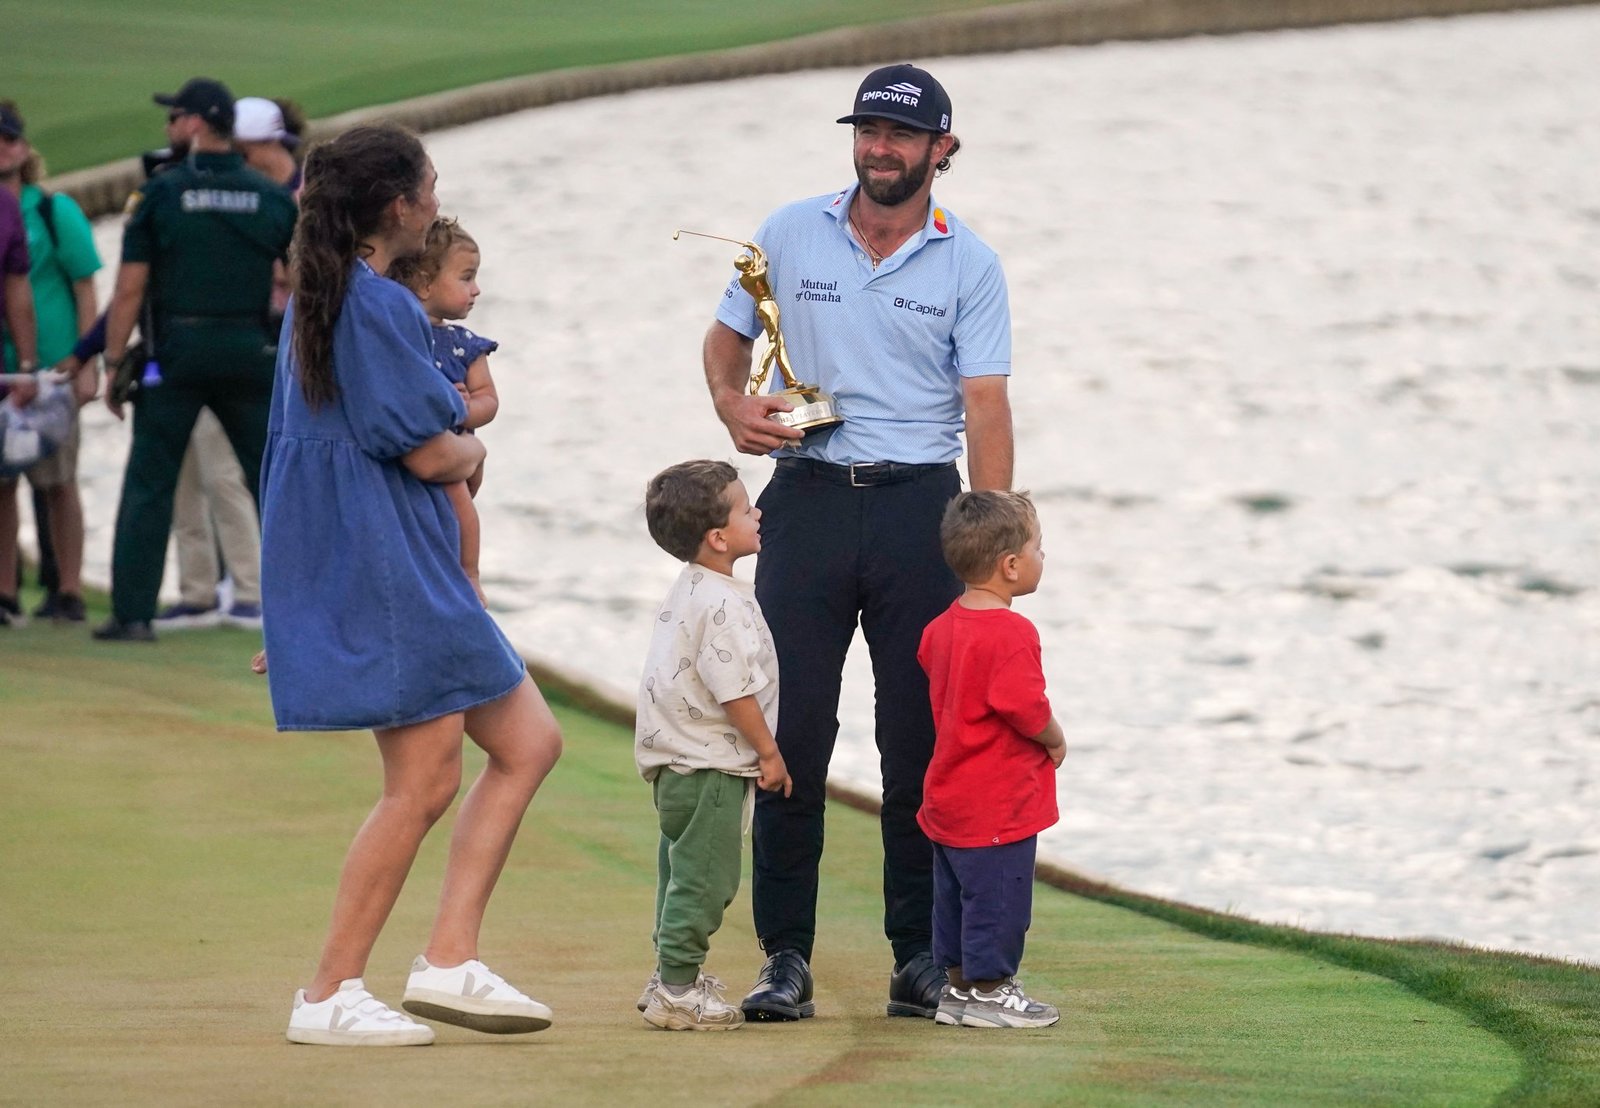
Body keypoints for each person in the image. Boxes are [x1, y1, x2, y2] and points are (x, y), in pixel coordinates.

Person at [699, 63, 1014, 1021]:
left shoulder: (972, 263)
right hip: (808, 498)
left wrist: (992, 547)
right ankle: (784, 957)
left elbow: (987, 407)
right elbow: (725, 338)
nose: (880, 148)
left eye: (901, 136)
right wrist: (729, 404)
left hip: (924, 509)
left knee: (916, 740)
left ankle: (916, 955)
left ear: (941, 151)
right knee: (790, 731)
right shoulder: (793, 229)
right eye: (868, 130)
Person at [262, 123, 562, 1047]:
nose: (437, 199)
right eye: (429, 186)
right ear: (399, 205)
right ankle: (327, 994)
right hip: (388, 563)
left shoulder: (338, 295)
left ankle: (448, 960)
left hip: (395, 559)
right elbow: (435, 449)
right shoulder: (374, 306)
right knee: (425, 781)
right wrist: (471, 445)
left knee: (528, 741)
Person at [94, 78, 297, 642]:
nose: (168, 128)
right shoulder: (271, 197)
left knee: (150, 484)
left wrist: (113, 364)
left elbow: (130, 288)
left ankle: (133, 616)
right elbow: (299, 281)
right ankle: (309, 610)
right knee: (275, 484)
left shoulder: (161, 193)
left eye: (175, 117)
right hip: (251, 353)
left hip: (176, 355)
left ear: (196, 125)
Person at [634, 459, 792, 1031]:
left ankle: (666, 974)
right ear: (719, 537)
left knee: (678, 874)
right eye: (747, 508)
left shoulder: (691, 587)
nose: (760, 514)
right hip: (711, 766)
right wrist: (769, 754)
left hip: (674, 762)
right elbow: (736, 692)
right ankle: (678, 988)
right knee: (707, 879)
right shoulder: (723, 603)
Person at [155, 93, 307, 633]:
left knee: (233, 475)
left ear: (266, 145)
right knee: (194, 473)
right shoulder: (255, 194)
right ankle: (204, 592)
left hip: (276, 355)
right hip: (228, 344)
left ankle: (253, 592)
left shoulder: (296, 199)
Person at [918, 490, 1064, 1029]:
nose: (1041, 558)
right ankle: (991, 990)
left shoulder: (940, 628)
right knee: (999, 899)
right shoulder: (1011, 632)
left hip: (948, 794)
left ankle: (957, 990)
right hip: (996, 800)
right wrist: (1054, 737)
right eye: (1038, 548)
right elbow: (1024, 705)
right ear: (1010, 565)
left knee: (955, 898)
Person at [1, 100, 99, 624]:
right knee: (1, 484)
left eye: (7, 138)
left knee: (58, 481)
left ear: (22, 147)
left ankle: (68, 589)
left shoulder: (50, 210)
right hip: (4, 365)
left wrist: (87, 361)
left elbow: (85, 286)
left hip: (55, 366)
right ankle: (6, 591)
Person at [389, 217, 497, 601]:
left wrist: (466, 412)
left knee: (458, 500)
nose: (477, 289)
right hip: (412, 446)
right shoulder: (398, 336)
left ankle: (468, 573)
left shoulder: (464, 345)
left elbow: (489, 399)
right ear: (423, 281)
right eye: (466, 278)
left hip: (451, 450)